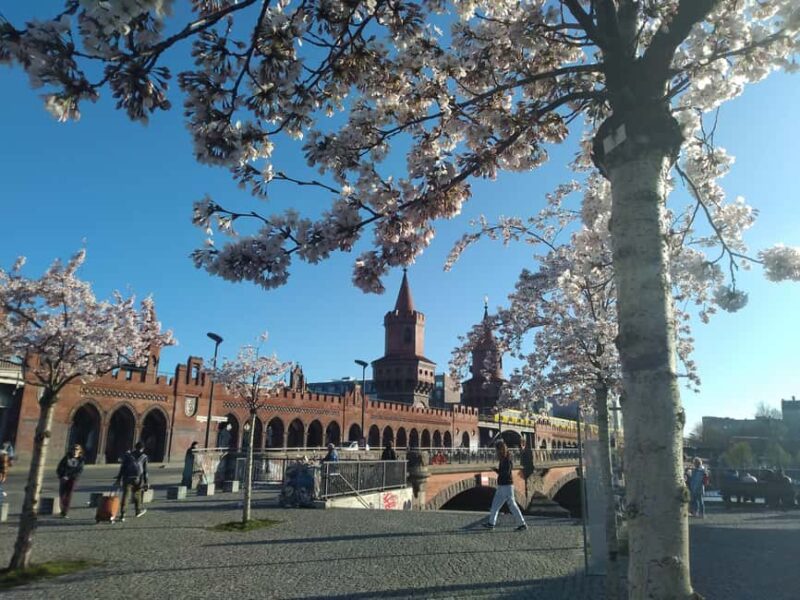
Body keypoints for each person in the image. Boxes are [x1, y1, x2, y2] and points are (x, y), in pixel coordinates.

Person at [484, 441, 527, 531]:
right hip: (501, 486)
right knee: (495, 505)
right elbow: (503, 472)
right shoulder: (503, 459)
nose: (496, 451)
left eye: (496, 449)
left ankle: (522, 524)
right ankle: (491, 523)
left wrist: (498, 471)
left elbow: (506, 473)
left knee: (512, 505)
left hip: (507, 486)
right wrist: (496, 470)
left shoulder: (507, 460)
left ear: (500, 449)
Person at [114, 441, 149, 521]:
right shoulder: (144, 457)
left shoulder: (128, 456)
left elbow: (122, 468)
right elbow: (145, 471)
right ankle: (138, 511)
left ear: (135, 447)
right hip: (138, 479)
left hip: (127, 478)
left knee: (126, 496)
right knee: (137, 494)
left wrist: (119, 479)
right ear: (143, 448)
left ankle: (123, 514)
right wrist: (146, 482)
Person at [56, 444, 85, 518]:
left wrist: (71, 477)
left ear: (80, 451)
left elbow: (79, 471)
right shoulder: (66, 458)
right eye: (73, 449)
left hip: (72, 479)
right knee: (62, 495)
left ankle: (65, 512)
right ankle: (62, 509)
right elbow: (60, 468)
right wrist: (62, 476)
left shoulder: (81, 460)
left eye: (77, 449)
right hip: (64, 478)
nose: (75, 451)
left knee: (68, 495)